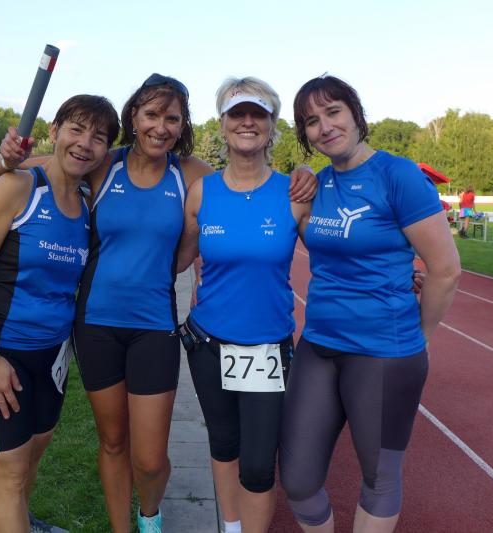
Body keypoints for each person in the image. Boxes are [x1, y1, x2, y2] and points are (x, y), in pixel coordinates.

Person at [0, 74, 316, 533]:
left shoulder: (191, 174)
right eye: (151, 115)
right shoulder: (104, 165)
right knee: (113, 443)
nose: (160, 127)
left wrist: (304, 175)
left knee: (148, 458)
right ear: (134, 116)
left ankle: (150, 515)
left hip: (154, 327)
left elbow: (243, 183)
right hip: (96, 325)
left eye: (172, 118)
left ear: (183, 125)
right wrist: (1, 161)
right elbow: (35, 171)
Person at [279, 75, 461, 533]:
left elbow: (445, 269)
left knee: (379, 478)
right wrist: (299, 175)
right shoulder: (316, 184)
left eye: (333, 112)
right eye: (312, 121)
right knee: (298, 481)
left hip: (385, 352)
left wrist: (420, 337)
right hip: (319, 345)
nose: (325, 127)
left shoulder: (398, 176)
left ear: (356, 114)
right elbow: (322, 247)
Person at [0, 95, 120, 533]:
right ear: (54, 131)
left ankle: (22, 523)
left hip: (51, 358)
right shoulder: (21, 186)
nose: (85, 143)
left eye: (98, 137)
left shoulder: (88, 203)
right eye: (76, 129)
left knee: (31, 456)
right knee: (8, 471)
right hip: (0, 351)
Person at [175, 77, 311, 533]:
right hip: (208, 345)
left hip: (268, 350)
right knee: (223, 444)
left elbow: (338, 254)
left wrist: (399, 271)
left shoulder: (296, 194)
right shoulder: (202, 192)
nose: (247, 122)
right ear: (223, 124)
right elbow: (177, 258)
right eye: (237, 113)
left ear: (272, 126)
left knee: (258, 464)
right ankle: (230, 527)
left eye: (258, 114)